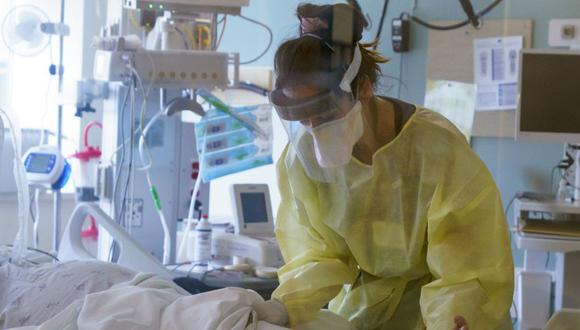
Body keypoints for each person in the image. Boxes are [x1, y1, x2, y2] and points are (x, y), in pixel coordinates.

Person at [263, 1, 515, 329]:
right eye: (302, 119)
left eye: (324, 115)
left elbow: (465, 271)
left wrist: (455, 320)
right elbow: (318, 254)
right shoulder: (303, 159)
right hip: (364, 310)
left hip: (442, 312)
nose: (315, 131)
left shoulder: (437, 151)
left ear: (364, 87)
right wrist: (284, 308)